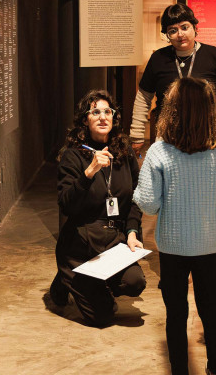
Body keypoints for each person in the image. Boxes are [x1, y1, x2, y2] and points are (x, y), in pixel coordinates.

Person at [133, 77, 216, 375]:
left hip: (173, 246)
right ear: (211, 111)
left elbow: (148, 203)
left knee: (176, 313)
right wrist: (208, 209)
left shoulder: (159, 151)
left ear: (173, 110)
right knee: (210, 309)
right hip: (209, 243)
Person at [50, 90, 146, 327]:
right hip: (81, 242)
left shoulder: (124, 153)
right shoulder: (73, 156)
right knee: (103, 316)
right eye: (95, 112)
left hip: (113, 239)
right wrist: (89, 173)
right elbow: (66, 204)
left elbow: (137, 197)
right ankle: (67, 277)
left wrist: (132, 231)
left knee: (135, 282)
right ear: (85, 119)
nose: (103, 117)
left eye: (107, 112)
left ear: (113, 117)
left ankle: (92, 282)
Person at [130, 3, 216, 149]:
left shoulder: (214, 55)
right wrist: (137, 133)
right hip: (168, 137)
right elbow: (143, 98)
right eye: (173, 30)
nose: (180, 34)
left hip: (209, 134)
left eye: (185, 27)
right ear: (167, 35)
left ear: (195, 27)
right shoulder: (158, 58)